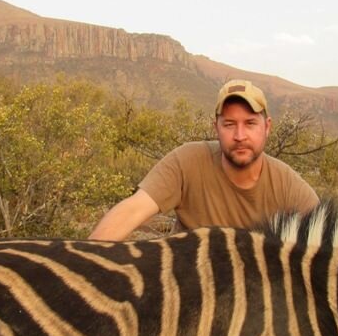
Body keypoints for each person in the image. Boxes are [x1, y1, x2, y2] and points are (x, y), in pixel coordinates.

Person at [89, 79, 319, 240]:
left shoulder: (289, 186)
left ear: (267, 127)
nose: (239, 136)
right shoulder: (186, 160)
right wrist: (86, 264)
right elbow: (132, 211)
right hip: (188, 290)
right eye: (229, 124)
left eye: (250, 123)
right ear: (216, 127)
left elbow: (325, 245)